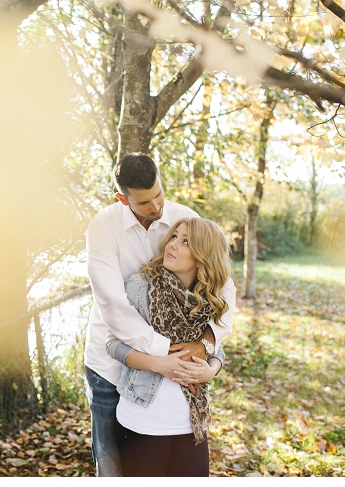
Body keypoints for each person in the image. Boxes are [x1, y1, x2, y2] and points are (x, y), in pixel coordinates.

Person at [84, 153, 236, 476]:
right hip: (111, 367)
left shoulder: (184, 219)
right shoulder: (102, 229)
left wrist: (207, 344)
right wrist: (166, 355)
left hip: (175, 394)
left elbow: (222, 288)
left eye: (159, 195)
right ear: (122, 199)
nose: (156, 207)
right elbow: (113, 306)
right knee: (112, 467)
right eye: (144, 203)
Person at [106, 218, 232, 476]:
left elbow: (215, 347)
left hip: (191, 424)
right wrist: (160, 364)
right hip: (143, 422)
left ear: (203, 256)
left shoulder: (210, 297)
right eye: (174, 236)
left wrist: (212, 370)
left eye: (185, 241)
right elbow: (112, 343)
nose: (172, 245)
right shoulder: (140, 287)